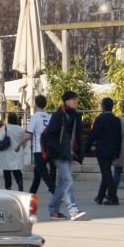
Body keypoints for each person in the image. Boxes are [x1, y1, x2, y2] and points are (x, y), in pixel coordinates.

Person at [44, 91, 85, 220]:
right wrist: (56, 151)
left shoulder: (75, 116)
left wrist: (78, 152)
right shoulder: (58, 116)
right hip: (59, 154)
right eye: (72, 99)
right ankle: (73, 210)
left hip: (68, 153)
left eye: (75, 99)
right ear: (66, 101)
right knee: (67, 180)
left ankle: (53, 210)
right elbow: (50, 135)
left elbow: (77, 136)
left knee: (62, 184)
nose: (75, 101)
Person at [87, 97, 122, 205]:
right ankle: (100, 196)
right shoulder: (116, 120)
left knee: (106, 173)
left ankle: (113, 196)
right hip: (112, 150)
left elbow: (93, 135)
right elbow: (119, 137)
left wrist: (86, 148)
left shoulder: (100, 119)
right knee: (106, 173)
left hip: (102, 150)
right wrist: (117, 151)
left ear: (103, 106)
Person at [26, 94, 55, 195]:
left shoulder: (35, 117)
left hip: (39, 150)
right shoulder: (49, 116)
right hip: (49, 149)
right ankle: (31, 194)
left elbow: (29, 135)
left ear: (35, 104)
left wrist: (19, 145)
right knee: (37, 174)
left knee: (43, 173)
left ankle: (56, 192)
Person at [0, 112, 28, 191]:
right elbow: (24, 142)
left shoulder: (5, 128)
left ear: (8, 119)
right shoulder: (21, 129)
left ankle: (8, 187)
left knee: (6, 171)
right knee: (17, 171)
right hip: (17, 152)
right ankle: (20, 186)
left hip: (6, 153)